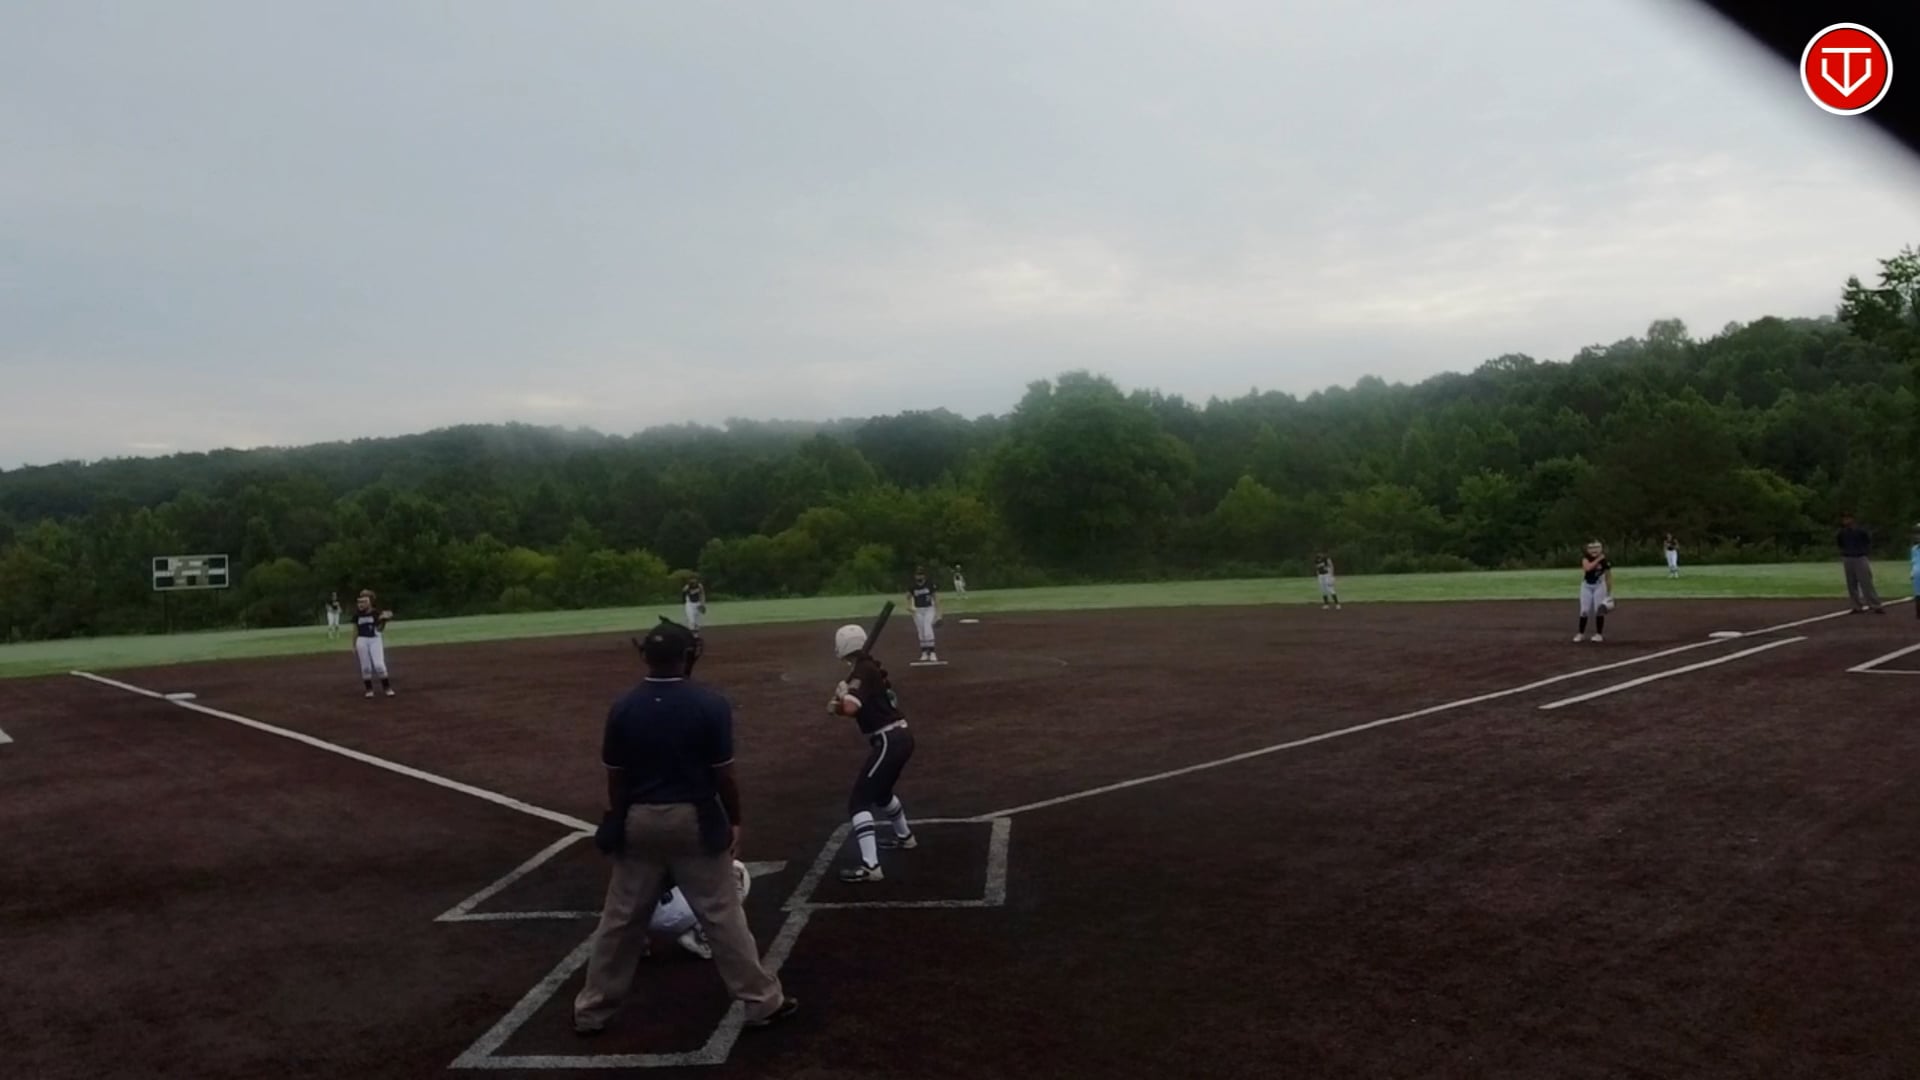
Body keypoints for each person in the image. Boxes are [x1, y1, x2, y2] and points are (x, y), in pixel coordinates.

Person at [574, 620, 795, 1036]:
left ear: (646, 657)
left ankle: (592, 1010)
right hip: (694, 820)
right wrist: (734, 819)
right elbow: (723, 775)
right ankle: (761, 1002)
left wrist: (620, 819)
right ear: (686, 656)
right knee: (722, 915)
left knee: (620, 920)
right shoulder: (709, 704)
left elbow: (616, 778)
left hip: (639, 820)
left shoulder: (624, 706)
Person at [827, 623, 917, 883]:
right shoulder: (867, 668)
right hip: (899, 737)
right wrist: (842, 697)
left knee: (858, 803)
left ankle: (871, 866)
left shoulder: (862, 671)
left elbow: (851, 708)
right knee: (881, 793)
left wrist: (838, 704)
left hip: (889, 739)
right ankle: (905, 837)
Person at [646, 861, 753, 961]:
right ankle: (708, 929)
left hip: (641, 913)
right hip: (669, 907)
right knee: (735, 868)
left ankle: (694, 929)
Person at [1838, 513, 1887, 614]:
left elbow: (1867, 542)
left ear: (1852, 519)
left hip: (1860, 557)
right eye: (1844, 519)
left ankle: (1875, 604)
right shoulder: (1842, 533)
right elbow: (1840, 544)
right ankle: (1856, 606)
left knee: (1866, 582)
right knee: (1851, 584)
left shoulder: (1861, 531)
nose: (1845, 521)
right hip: (1848, 558)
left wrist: (1864, 552)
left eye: (1847, 519)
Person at [351, 591, 395, 697]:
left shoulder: (376, 613)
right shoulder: (357, 615)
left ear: (370, 602)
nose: (361, 604)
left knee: (379, 665)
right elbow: (355, 630)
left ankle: (387, 687)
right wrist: (353, 645)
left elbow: (379, 629)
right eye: (360, 601)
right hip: (362, 640)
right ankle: (369, 689)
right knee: (365, 667)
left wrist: (384, 621)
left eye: (364, 601)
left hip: (375, 639)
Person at [1574, 541, 1614, 643]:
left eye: (1596, 547)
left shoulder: (1605, 562)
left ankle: (1598, 634)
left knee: (1598, 610)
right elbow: (1587, 568)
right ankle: (1580, 634)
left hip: (1599, 586)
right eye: (1591, 548)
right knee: (1584, 610)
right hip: (1586, 586)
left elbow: (1608, 577)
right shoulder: (1585, 558)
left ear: (1601, 549)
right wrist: (1599, 559)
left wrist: (1609, 592)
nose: (1594, 550)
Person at [908, 569, 939, 663]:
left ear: (924, 576)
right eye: (917, 575)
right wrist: (909, 606)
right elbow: (908, 596)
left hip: (929, 609)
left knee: (927, 629)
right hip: (918, 610)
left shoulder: (929, 584)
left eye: (921, 574)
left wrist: (938, 613)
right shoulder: (913, 586)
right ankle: (924, 652)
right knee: (921, 631)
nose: (919, 577)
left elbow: (935, 597)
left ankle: (932, 652)